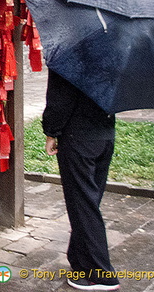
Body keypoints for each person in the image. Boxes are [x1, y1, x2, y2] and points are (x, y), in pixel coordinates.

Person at [42, 69, 120, 292]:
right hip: (105, 135)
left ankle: (101, 274)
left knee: (83, 205)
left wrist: (51, 132)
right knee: (88, 203)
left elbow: (59, 101)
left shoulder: (67, 56)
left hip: (78, 138)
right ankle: (80, 262)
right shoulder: (112, 51)